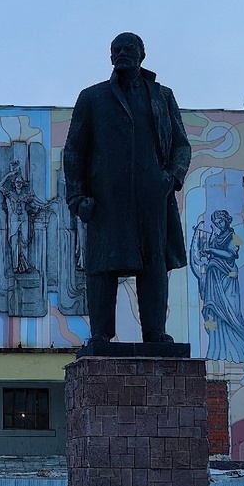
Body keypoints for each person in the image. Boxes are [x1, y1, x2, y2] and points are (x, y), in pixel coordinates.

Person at [62, 32, 191, 343]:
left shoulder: (163, 96)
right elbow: (74, 151)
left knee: (153, 266)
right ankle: (101, 334)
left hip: (152, 197)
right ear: (110, 57)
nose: (122, 53)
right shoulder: (92, 98)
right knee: (102, 268)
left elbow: (181, 146)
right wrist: (78, 197)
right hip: (107, 199)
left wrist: (171, 178)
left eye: (128, 48)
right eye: (116, 50)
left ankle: (155, 332)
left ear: (141, 54)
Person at [189, 209, 244, 363]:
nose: (218, 225)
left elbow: (231, 255)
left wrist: (211, 251)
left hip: (227, 279)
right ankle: (218, 349)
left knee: (229, 312)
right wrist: (206, 250)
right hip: (213, 277)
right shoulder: (216, 236)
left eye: (220, 222)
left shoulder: (233, 237)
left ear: (227, 220)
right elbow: (207, 252)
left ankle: (235, 349)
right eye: (216, 222)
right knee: (215, 313)